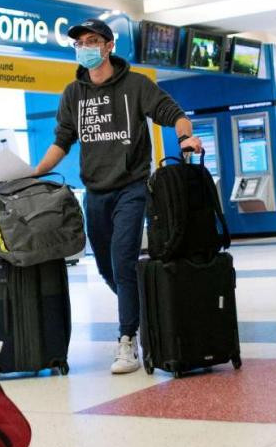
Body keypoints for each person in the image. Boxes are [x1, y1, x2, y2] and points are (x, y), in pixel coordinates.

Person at [34, 19, 202, 375]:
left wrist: (186, 138)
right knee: (107, 267)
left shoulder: (136, 85)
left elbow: (174, 115)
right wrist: (33, 172)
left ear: (109, 46)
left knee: (123, 258)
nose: (85, 48)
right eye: (79, 43)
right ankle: (147, 306)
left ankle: (128, 340)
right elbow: (62, 141)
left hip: (132, 186)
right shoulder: (73, 94)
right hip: (94, 192)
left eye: (92, 41)